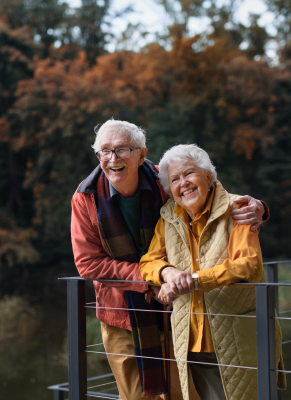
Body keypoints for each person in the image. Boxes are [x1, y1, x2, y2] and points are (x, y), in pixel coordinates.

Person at [71, 120, 269, 400]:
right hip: (123, 313)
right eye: (104, 151)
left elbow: (207, 195)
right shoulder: (85, 198)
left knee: (184, 394)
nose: (113, 159)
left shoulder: (166, 178)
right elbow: (89, 264)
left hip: (175, 310)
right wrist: (158, 276)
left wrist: (257, 207)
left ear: (141, 154)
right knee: (138, 397)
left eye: (122, 150)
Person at [139, 144, 287, 400]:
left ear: (208, 176)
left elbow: (247, 265)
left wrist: (194, 280)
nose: (183, 183)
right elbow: (148, 262)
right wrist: (168, 273)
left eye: (189, 174)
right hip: (191, 342)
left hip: (238, 338)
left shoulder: (238, 208)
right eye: (175, 179)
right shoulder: (168, 217)